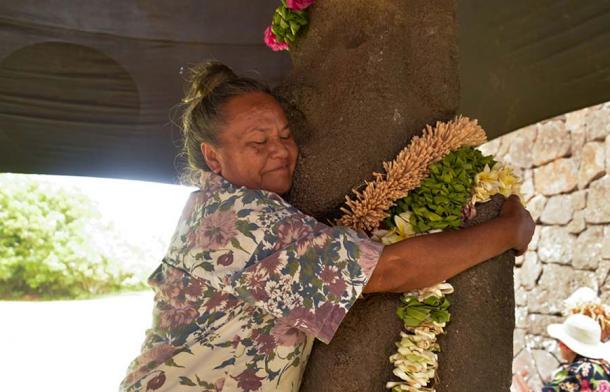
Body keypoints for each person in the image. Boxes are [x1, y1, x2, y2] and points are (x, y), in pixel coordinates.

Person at [120, 61, 535, 391]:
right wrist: (508, 231)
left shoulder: (216, 207)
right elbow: (391, 270)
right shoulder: (238, 221)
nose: (281, 150)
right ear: (213, 158)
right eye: (258, 142)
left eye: (285, 135)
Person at [541, 314, 610, 391]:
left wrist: (524, 382)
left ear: (565, 346)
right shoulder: (605, 367)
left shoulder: (576, 371)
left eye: (559, 341)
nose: (559, 345)